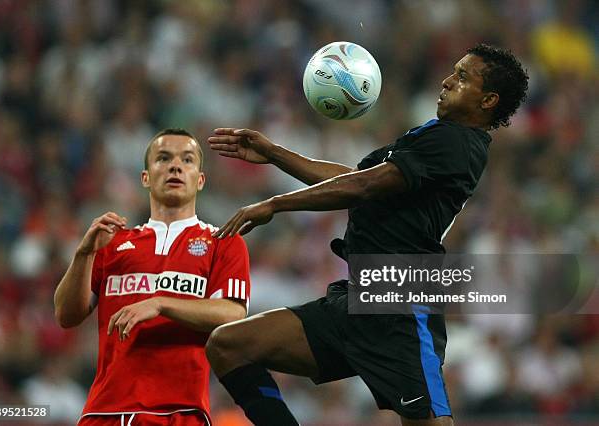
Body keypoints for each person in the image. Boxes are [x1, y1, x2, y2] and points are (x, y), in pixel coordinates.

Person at [205, 44, 529, 426]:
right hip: (358, 299)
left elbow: (361, 187)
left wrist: (275, 204)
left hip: (401, 309)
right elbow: (352, 179)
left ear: (488, 99)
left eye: (461, 76)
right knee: (229, 345)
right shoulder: (433, 137)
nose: (445, 81)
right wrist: (274, 153)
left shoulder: (457, 143)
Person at [54, 128, 251, 426]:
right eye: (163, 158)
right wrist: (83, 255)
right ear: (145, 177)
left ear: (200, 181)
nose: (175, 166)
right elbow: (66, 315)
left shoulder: (224, 241)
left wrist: (161, 303)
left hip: (179, 412)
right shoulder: (113, 244)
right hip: (103, 411)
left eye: (187, 160)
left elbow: (233, 313)